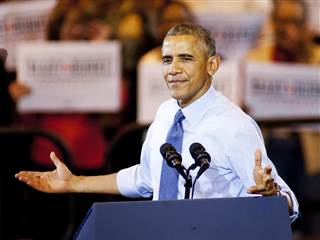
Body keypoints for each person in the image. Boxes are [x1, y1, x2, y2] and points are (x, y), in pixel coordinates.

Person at [15, 23, 299, 222]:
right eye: (167, 60)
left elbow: (287, 200)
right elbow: (147, 178)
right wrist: (75, 183)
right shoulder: (165, 114)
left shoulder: (234, 126)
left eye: (186, 59)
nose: (173, 70)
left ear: (212, 65)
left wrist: (273, 196)